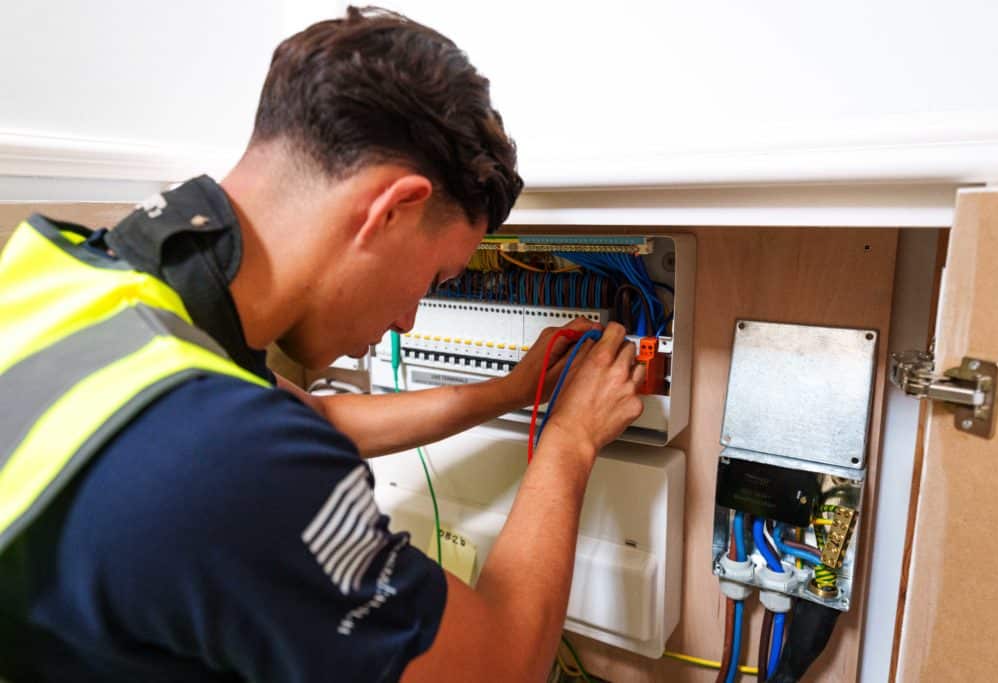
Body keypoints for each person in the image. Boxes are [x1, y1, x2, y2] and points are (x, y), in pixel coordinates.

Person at [0, 7, 643, 682]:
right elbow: (503, 666)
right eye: (433, 277)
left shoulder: (72, 271)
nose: (408, 322)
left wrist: (512, 391)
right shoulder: (228, 456)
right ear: (390, 208)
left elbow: (313, 418)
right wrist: (571, 438)